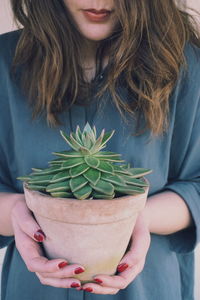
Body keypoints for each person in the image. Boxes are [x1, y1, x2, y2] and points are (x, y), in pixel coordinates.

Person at [0, 0, 200, 299]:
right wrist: (18, 213)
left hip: (148, 286)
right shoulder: (6, 61)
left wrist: (136, 218)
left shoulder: (182, 64)